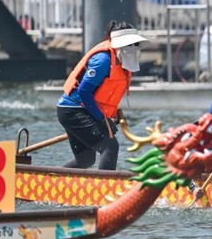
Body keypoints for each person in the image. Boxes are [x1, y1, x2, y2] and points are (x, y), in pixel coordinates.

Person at [57, 20, 148, 170]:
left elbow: (107, 92)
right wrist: (101, 120)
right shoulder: (103, 60)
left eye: (134, 45)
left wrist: (116, 113)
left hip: (85, 109)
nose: (132, 49)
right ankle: (105, 189)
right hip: (72, 110)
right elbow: (84, 92)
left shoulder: (121, 63)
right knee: (110, 146)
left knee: (85, 160)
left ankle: (55, 183)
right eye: (128, 45)